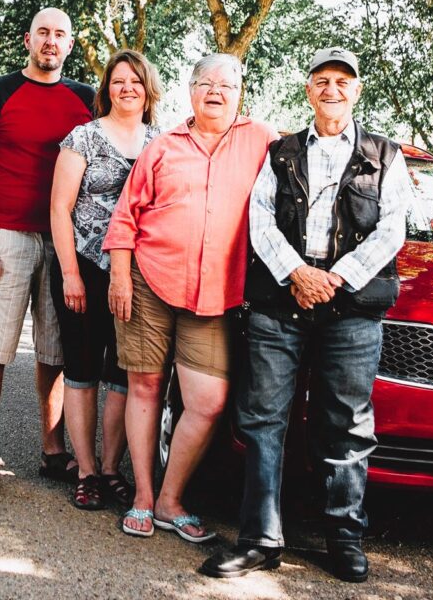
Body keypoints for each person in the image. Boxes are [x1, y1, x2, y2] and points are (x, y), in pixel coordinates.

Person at [200, 47, 413, 582]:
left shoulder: (385, 155)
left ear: (357, 91)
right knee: (263, 420)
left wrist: (336, 278)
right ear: (308, 89)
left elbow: (393, 228)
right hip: (281, 304)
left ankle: (344, 538)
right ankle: (259, 539)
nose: (332, 90)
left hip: (352, 309)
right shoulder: (280, 152)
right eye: (322, 80)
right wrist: (298, 274)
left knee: (346, 424)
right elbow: (260, 219)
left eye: (343, 81)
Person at [102, 53, 277, 541]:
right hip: (148, 281)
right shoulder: (162, 147)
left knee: (208, 402)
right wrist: (119, 277)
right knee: (145, 387)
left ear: (241, 93)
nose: (215, 91)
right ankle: (141, 495)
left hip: (216, 294)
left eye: (226, 84)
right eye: (205, 83)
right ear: (190, 91)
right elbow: (125, 217)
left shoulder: (262, 141)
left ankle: (169, 498)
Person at [0, 7, 95, 500]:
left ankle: (52, 449)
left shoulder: (87, 99)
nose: (51, 41)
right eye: (43, 33)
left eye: (60, 34)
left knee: (55, 351)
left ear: (71, 44)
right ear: (28, 40)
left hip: (65, 243)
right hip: (8, 236)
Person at [48, 50, 162, 510]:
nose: (127, 88)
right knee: (81, 367)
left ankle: (112, 468)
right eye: (118, 81)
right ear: (106, 89)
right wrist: (71, 274)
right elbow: (59, 209)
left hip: (139, 274)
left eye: (135, 80)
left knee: (123, 371)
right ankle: (88, 471)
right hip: (85, 268)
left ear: (147, 88)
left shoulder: (162, 141)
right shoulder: (84, 138)